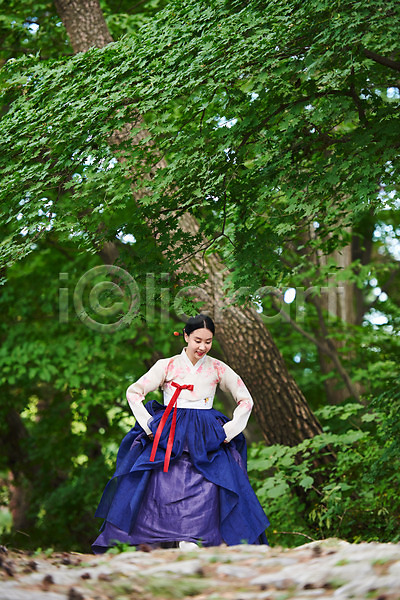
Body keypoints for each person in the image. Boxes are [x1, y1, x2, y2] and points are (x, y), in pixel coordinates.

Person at [92, 314, 269, 552]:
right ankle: (157, 543)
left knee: (211, 484)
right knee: (160, 484)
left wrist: (228, 431)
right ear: (185, 336)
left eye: (208, 341)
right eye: (197, 340)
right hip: (169, 432)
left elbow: (245, 400)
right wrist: (148, 426)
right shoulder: (167, 365)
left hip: (207, 435)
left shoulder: (218, 367)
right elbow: (134, 392)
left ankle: (199, 540)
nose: (203, 347)